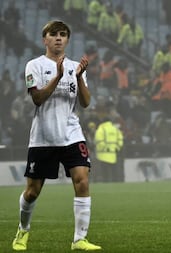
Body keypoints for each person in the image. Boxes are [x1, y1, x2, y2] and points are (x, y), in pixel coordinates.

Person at [12, 20, 101, 251]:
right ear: (45, 40)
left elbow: (85, 102)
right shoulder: (34, 65)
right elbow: (38, 99)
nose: (58, 38)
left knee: (82, 181)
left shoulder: (75, 67)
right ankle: (23, 230)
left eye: (63, 34)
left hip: (71, 134)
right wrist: (58, 77)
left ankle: (79, 239)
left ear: (68, 39)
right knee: (32, 192)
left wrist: (79, 77)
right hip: (43, 137)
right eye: (54, 34)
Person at [94, 117, 124, 182]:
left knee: (105, 173)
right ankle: (115, 183)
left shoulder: (101, 129)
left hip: (103, 155)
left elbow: (99, 141)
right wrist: (117, 148)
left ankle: (106, 183)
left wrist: (105, 148)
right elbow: (120, 140)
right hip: (114, 155)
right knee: (114, 172)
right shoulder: (116, 129)